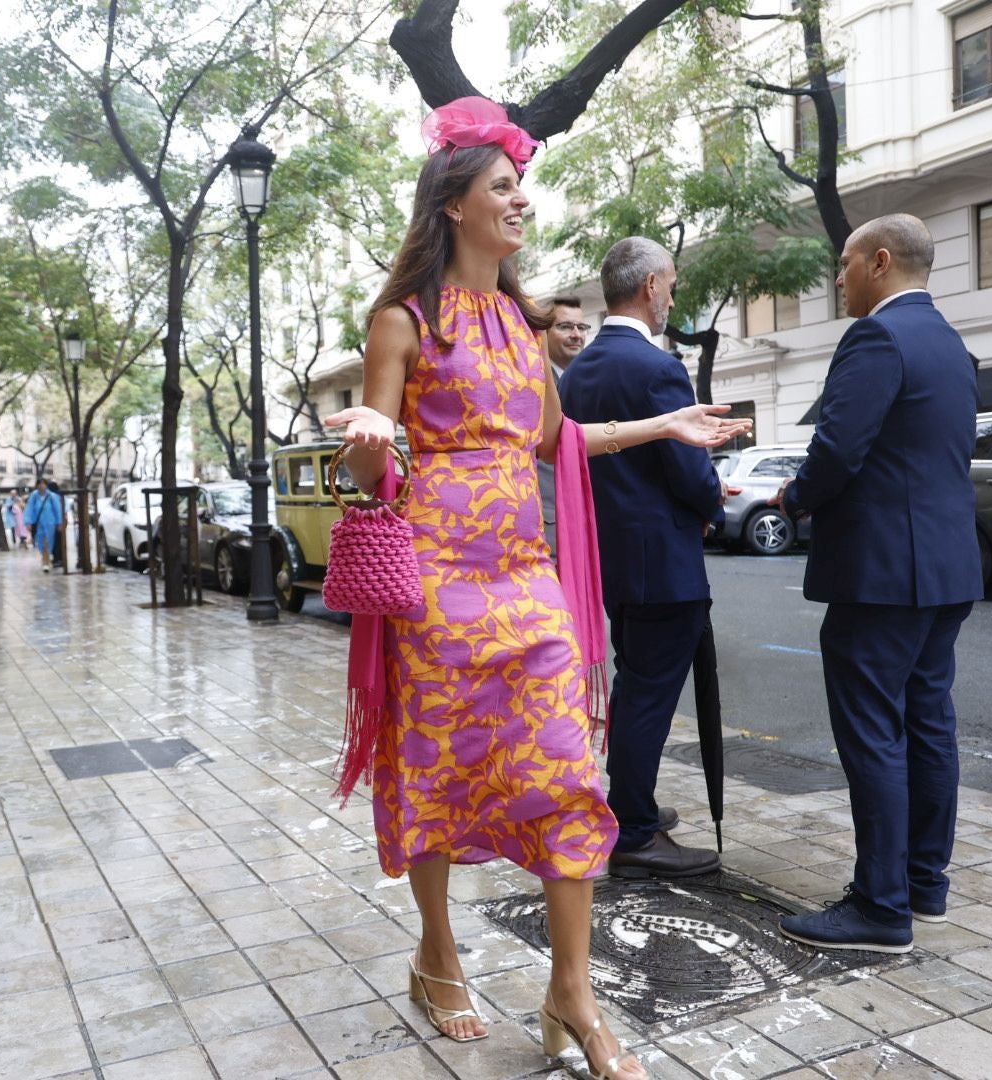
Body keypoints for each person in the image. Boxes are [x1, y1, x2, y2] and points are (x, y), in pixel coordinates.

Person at [321, 97, 749, 1080]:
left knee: (565, 776)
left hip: (528, 590)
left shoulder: (521, 328)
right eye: (503, 188)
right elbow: (372, 471)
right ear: (454, 206)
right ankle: (436, 953)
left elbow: (557, 441)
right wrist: (369, 445)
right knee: (431, 774)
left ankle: (573, 992)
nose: (522, 201)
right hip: (434, 597)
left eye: (521, 187)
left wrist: (665, 427)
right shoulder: (404, 322)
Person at [768, 214, 981, 954]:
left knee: (874, 733)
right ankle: (925, 884)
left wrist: (793, 498)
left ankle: (881, 906)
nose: (838, 277)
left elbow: (837, 450)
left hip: (882, 574)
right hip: (947, 570)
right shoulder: (951, 344)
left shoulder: (877, 337)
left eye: (845, 263)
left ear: (880, 262)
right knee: (929, 724)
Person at [558, 238, 726, 882]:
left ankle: (632, 808)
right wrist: (713, 496)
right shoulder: (656, 367)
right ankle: (632, 828)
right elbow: (686, 466)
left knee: (636, 687)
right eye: (673, 285)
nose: (674, 298)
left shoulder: (578, 372)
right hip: (664, 560)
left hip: (612, 557)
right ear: (651, 286)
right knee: (650, 695)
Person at [539, 296, 591, 554]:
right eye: (564, 327)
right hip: (547, 524)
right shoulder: (534, 382)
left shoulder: (589, 383)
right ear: (544, 333)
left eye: (581, 328)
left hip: (583, 522)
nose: (575, 335)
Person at [24, 478, 63, 574]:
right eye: (40, 484)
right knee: (41, 543)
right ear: (37, 485)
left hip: (50, 522)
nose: (42, 486)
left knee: (47, 542)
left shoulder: (52, 496)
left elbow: (57, 509)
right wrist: (28, 522)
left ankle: (46, 562)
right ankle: (45, 559)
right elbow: (29, 509)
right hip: (38, 523)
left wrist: (59, 522)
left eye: (43, 484)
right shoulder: (34, 496)